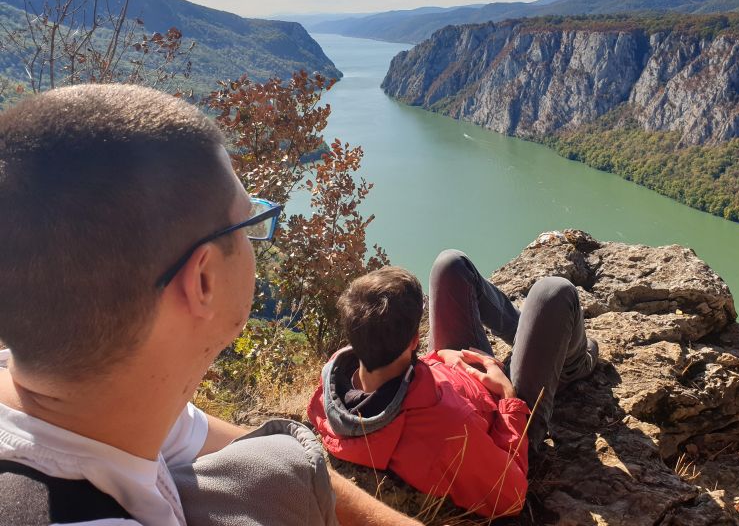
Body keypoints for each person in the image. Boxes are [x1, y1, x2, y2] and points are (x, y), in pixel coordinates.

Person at [0, 84, 421, 526]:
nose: (255, 241)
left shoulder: (102, 395)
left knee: (282, 461)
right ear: (202, 280)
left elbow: (241, 449)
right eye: (248, 222)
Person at [308, 252, 598, 518]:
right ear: (413, 341)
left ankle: (529, 332)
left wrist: (438, 358)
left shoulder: (335, 380)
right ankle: (573, 364)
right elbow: (510, 497)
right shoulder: (448, 436)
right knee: (554, 292)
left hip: (457, 375)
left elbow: (394, 374)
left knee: (451, 265)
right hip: (510, 414)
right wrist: (508, 397)